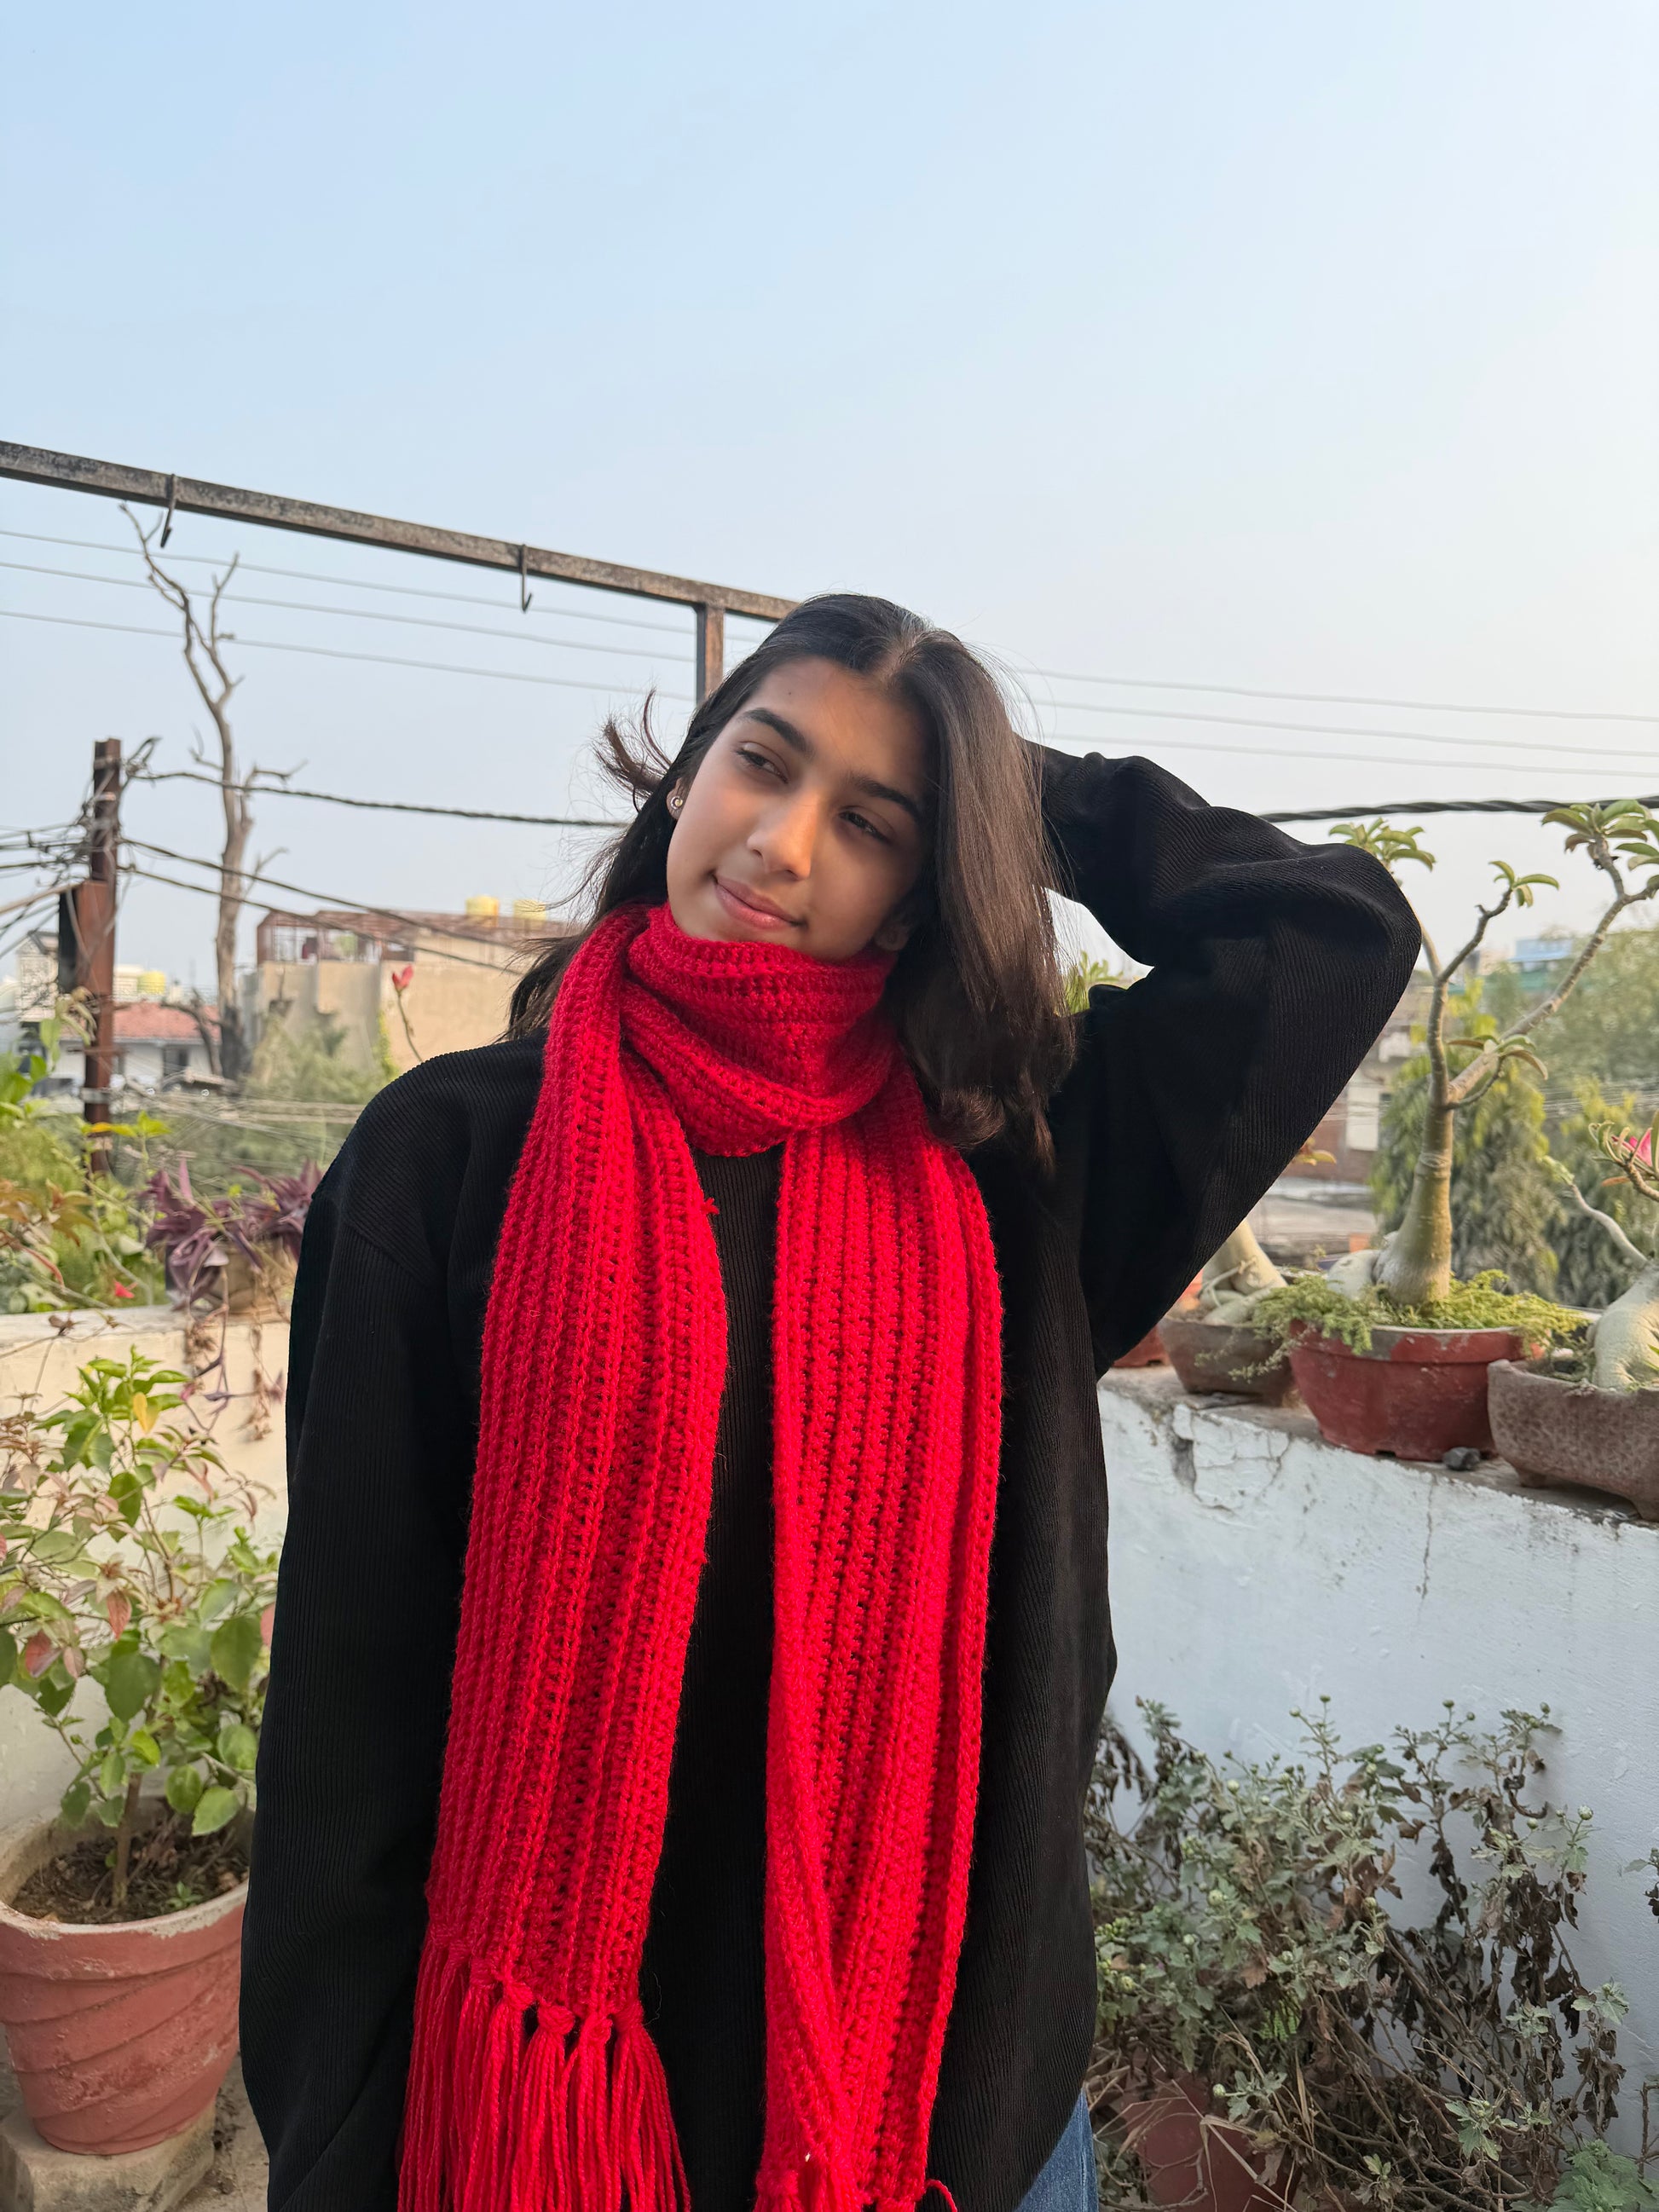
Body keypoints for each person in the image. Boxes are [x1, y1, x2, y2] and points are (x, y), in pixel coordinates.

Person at [240, 594, 1419, 2212]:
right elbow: (350, 1690)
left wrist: (1003, 782)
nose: (782, 844)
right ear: (684, 773)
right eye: (763, 762)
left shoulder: (1018, 1166)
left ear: (922, 888)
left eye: (870, 824)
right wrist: (338, 2138)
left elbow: (1327, 934)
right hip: (555, 2122)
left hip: (946, 2121)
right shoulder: (450, 1153)